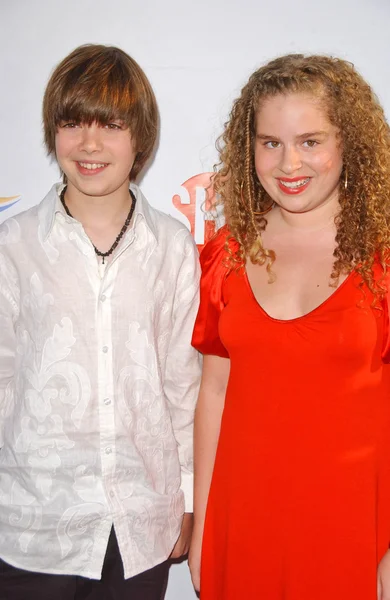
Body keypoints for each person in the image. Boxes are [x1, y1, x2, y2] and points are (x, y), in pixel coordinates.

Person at [0, 44, 201, 600]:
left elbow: (183, 385)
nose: (90, 144)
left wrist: (187, 497)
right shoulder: (13, 246)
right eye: (72, 123)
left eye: (110, 125)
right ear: (52, 133)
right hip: (32, 526)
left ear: (140, 137)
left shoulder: (172, 247)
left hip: (141, 523)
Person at [189, 53, 390, 600]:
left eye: (310, 141)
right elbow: (214, 392)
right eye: (270, 142)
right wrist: (205, 526)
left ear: (349, 143)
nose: (288, 164)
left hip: (354, 530)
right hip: (244, 523)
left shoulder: (383, 257)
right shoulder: (225, 254)